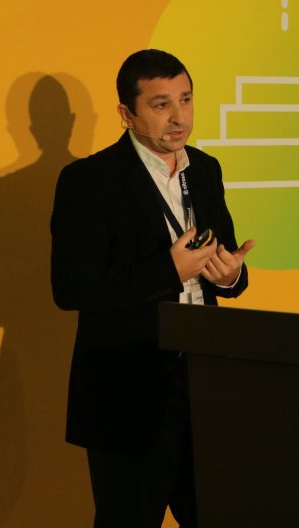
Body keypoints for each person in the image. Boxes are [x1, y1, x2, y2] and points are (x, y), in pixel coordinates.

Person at [50, 49, 255, 527]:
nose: (179, 117)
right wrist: (168, 270)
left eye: (186, 99)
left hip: (203, 383)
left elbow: (223, 261)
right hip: (128, 394)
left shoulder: (205, 169)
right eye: (161, 104)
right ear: (127, 114)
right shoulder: (89, 181)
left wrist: (230, 276)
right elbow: (72, 288)